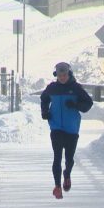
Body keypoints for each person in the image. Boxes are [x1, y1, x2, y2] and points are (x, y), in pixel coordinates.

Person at [40, 62, 94, 199]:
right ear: (56, 75)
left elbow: (88, 104)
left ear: (69, 74)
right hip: (56, 127)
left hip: (71, 128)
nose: (62, 77)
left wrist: (76, 105)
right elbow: (44, 99)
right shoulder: (52, 88)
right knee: (57, 157)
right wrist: (45, 111)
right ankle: (57, 187)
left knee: (69, 158)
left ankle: (67, 174)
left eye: (64, 75)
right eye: (59, 75)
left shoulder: (76, 88)